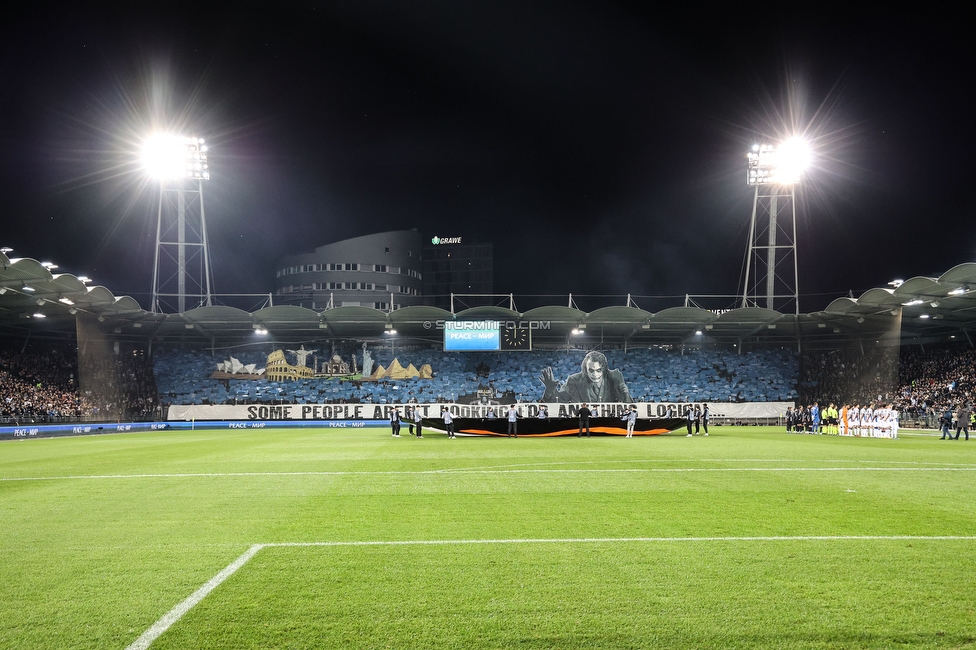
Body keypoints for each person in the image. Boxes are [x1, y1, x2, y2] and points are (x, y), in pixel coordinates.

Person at [539, 351, 632, 403]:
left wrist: (625, 394)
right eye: (591, 370)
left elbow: (629, 406)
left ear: (604, 369)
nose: (595, 374)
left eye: (599, 370)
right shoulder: (573, 381)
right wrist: (550, 390)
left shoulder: (614, 379)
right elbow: (557, 402)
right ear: (585, 369)